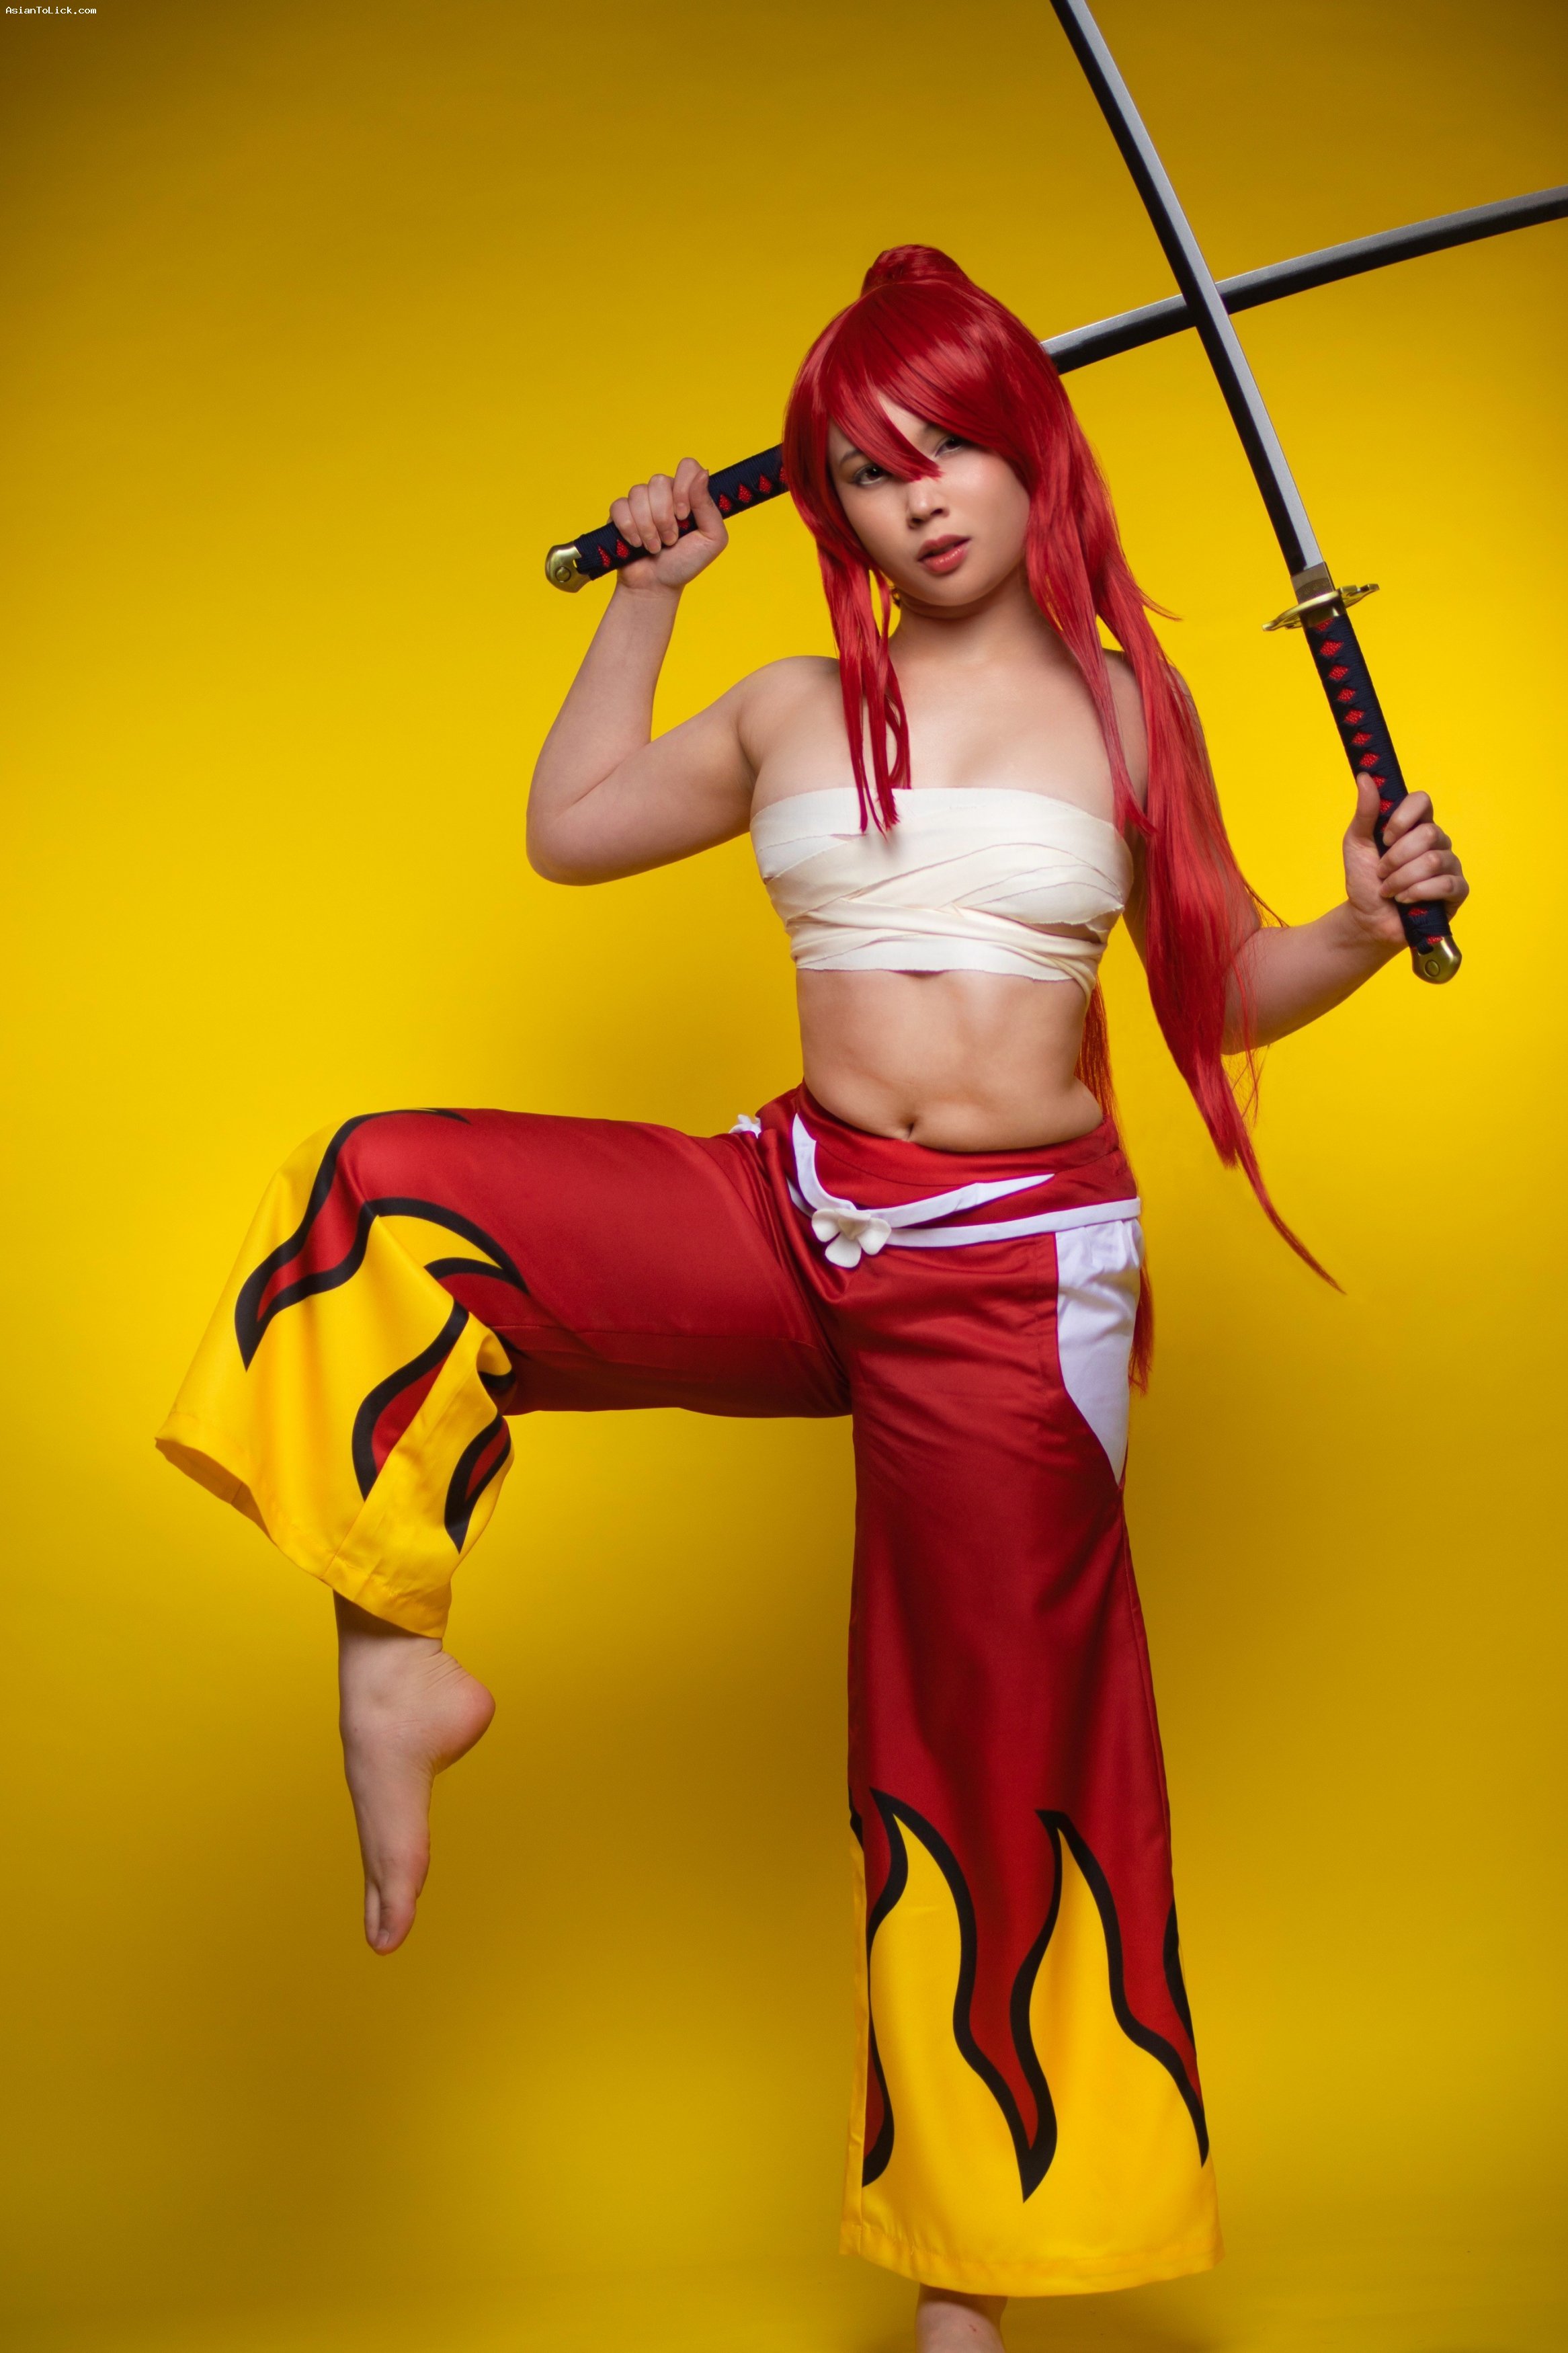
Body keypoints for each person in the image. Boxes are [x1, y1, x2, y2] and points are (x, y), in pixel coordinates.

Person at [157, 247, 1467, 2348]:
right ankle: (394, 1662)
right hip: (796, 1213)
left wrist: (1364, 923)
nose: (919, 494)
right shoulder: (792, 703)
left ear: (1032, 450)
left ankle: (970, 2291)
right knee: (384, 1194)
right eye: (866, 467)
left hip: (1013, 1292)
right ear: (826, 505)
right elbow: (570, 830)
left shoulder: (1130, 709)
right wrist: (649, 592)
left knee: (980, 1762)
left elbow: (1219, 990)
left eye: (953, 444)